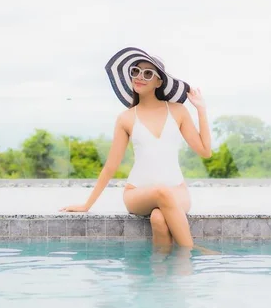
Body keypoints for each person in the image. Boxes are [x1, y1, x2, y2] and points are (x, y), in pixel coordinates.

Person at [60, 47, 212, 248]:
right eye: (136, 71)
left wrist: (201, 109)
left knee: (158, 218)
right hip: (137, 193)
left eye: (148, 73)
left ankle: (162, 274)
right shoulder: (126, 118)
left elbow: (205, 151)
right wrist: (87, 205)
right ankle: (193, 252)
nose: (140, 77)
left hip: (177, 191)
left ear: (159, 81)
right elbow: (111, 167)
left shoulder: (178, 111)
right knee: (161, 192)